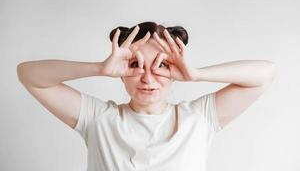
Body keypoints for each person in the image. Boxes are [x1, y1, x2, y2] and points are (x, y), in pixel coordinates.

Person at [17, 21, 276, 171]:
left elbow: (265, 73)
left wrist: (195, 73)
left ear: (175, 69)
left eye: (161, 65)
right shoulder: (98, 119)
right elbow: (29, 74)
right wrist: (98, 68)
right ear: (121, 70)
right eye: (135, 65)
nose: (148, 78)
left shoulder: (199, 117)